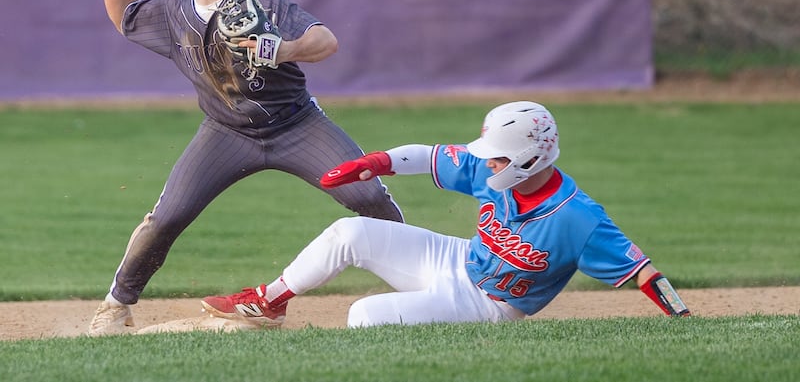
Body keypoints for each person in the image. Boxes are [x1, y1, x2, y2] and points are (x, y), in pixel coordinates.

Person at [87, 0, 404, 336]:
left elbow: (325, 41)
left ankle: (423, 281)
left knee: (367, 195)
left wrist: (284, 49)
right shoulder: (173, 12)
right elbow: (126, 16)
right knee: (167, 217)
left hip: (297, 125)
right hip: (226, 132)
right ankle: (116, 306)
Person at [201, 101, 691, 328]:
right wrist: (375, 162)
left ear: (530, 159)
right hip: (459, 261)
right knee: (349, 232)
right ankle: (269, 299)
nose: (489, 161)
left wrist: (683, 318)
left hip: (493, 306)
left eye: (498, 155)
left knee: (364, 317)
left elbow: (642, 271)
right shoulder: (494, 173)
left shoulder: (578, 219)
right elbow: (429, 155)